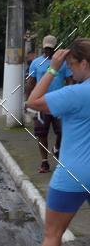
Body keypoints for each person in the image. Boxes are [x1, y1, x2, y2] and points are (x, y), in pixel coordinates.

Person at [12, 39, 90, 246]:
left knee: (53, 234)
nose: (71, 71)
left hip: (73, 174)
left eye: (72, 65)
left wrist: (53, 69)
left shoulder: (77, 93)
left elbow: (33, 101)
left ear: (84, 64)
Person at [26, 34, 72, 172]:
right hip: (41, 103)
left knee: (62, 131)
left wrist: (70, 99)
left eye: (50, 49)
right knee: (41, 133)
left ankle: (56, 148)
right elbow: (30, 83)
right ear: (43, 48)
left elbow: (70, 81)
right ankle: (44, 161)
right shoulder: (36, 63)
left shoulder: (63, 63)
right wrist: (28, 102)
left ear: (55, 48)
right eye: (45, 49)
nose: (47, 51)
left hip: (59, 103)